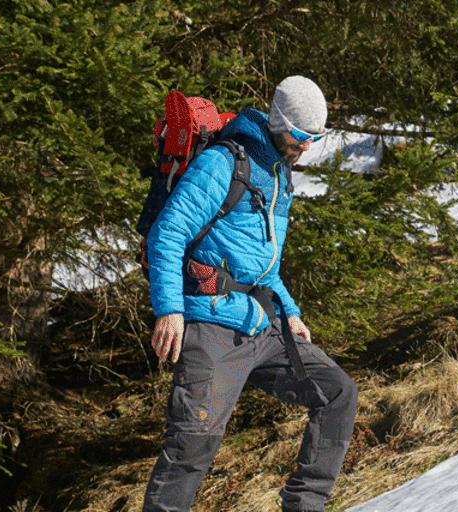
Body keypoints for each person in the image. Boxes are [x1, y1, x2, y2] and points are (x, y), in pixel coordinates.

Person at [142, 76, 358, 512]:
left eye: (316, 137)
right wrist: (169, 310)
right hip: (212, 324)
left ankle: (305, 506)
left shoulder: (280, 172)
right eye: (301, 135)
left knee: (338, 393)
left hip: (260, 323)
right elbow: (166, 234)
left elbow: (264, 264)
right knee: (191, 447)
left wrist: (291, 312)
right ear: (279, 121)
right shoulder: (224, 163)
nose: (307, 145)